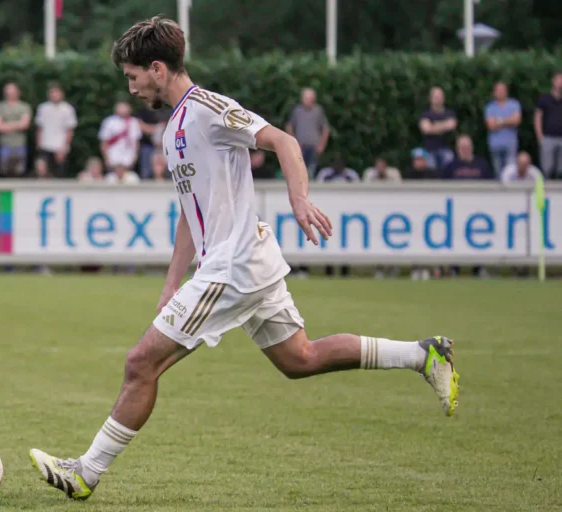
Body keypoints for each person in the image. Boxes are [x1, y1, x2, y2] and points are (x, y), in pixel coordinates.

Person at [29, 16, 460, 501]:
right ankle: (423, 353)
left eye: (132, 76)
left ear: (156, 68)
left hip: (233, 267)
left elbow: (285, 142)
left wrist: (299, 200)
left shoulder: (210, 109)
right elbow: (190, 213)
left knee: (140, 363)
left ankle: (85, 472)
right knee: (301, 358)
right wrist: (172, 283)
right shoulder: (173, 129)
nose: (129, 88)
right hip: (243, 262)